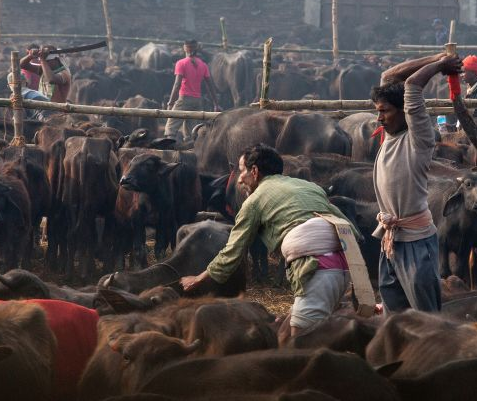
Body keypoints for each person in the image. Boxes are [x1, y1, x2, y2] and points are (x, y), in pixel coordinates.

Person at [180, 144, 357, 336]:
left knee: (301, 343)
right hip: (343, 268)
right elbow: (348, 227)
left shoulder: (254, 201)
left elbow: (232, 253)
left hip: (316, 268)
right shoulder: (309, 186)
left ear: (254, 171)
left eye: (241, 171)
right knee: (284, 333)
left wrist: (197, 279)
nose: (239, 180)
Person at [371, 53, 462, 314]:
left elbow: (411, 87)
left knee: (425, 317)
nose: (379, 118)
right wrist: (437, 58)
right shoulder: (390, 133)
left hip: (415, 242)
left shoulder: (418, 137)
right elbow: (390, 77)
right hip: (390, 240)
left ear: (405, 113)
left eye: (384, 111)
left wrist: (440, 67)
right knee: (394, 317)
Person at [164, 39, 219, 143]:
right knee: (191, 134)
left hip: (184, 99)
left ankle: (168, 151)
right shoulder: (203, 65)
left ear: (184, 48)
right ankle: (190, 154)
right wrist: (216, 104)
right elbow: (211, 85)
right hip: (197, 101)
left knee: (171, 128)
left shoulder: (181, 63)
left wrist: (171, 102)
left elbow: (177, 84)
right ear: (196, 49)